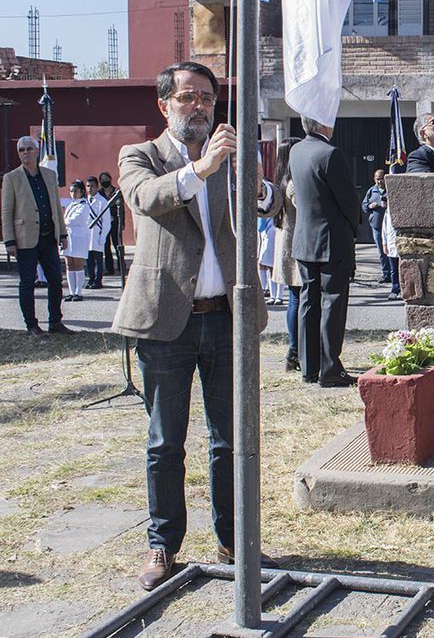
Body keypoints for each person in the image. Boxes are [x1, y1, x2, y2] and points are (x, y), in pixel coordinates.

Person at [110, 61, 280, 591]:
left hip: (225, 318)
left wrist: (257, 185)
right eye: (188, 97)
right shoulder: (141, 156)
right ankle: (163, 545)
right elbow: (148, 199)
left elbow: (274, 208)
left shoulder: (228, 159)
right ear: (164, 105)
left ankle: (234, 542)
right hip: (166, 323)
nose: (200, 106)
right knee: (166, 441)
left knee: (231, 439)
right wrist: (203, 168)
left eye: (207, 97)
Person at [291, 116, 360, 388]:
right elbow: (348, 200)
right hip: (332, 239)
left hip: (304, 238)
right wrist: (355, 227)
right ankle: (330, 368)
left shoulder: (297, 150)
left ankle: (309, 367)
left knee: (308, 302)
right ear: (324, 125)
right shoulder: (330, 154)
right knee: (333, 302)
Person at [1, 135, 73, 335]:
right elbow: (6, 211)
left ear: (36, 150)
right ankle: (31, 324)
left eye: (29, 149)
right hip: (24, 239)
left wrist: (63, 233)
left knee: (55, 280)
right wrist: (9, 240)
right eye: (21, 150)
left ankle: (55, 322)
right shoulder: (11, 178)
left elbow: (56, 207)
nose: (25, 152)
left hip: (48, 237)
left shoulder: (49, 175)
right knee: (27, 282)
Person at [271, 137, 303, 371]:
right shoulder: (293, 184)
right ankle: (295, 349)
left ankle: (295, 349)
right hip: (295, 247)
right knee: (297, 300)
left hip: (285, 245)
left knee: (295, 298)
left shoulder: (279, 182)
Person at [61, 180, 90, 302]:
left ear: (82, 192)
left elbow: (72, 220)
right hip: (69, 236)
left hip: (78, 238)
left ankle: (78, 292)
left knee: (78, 264)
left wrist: (61, 223)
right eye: (71, 191)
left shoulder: (84, 205)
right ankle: (72, 292)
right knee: (69, 264)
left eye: (76, 191)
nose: (73, 193)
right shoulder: (71, 204)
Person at [361, 169, 391, 283]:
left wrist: (388, 204)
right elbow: (364, 205)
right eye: (377, 179)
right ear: (374, 179)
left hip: (389, 226)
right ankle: (385, 274)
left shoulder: (390, 189)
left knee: (391, 250)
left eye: (382, 179)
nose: (380, 181)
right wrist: (369, 206)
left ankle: (394, 274)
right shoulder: (371, 190)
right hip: (377, 225)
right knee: (381, 252)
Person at [84, 176, 111, 289]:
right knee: (88, 259)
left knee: (98, 259)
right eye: (88, 186)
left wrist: (102, 236)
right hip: (87, 234)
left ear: (97, 187)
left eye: (92, 186)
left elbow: (106, 222)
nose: (90, 189)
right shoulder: (85, 201)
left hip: (97, 234)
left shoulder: (102, 201)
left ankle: (97, 281)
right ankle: (90, 279)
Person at [98, 170, 121, 276]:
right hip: (104, 223)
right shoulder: (99, 193)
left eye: (106, 179)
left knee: (117, 244)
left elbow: (121, 208)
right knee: (106, 245)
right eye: (102, 180)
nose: (104, 181)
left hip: (115, 222)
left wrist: (122, 222)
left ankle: (121, 267)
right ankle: (109, 268)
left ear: (110, 180)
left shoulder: (116, 191)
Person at [381, 207, 401, 300]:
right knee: (393, 270)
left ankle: (404, 289)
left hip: (401, 243)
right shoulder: (387, 212)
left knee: (403, 268)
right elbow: (384, 229)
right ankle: (395, 289)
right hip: (391, 244)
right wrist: (384, 244)